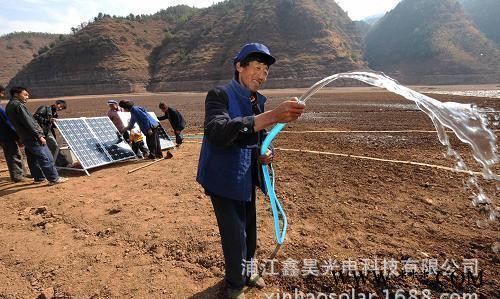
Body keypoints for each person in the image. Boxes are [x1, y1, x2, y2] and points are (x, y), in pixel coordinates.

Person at [196, 43, 305, 299]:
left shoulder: (257, 101)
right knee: (234, 235)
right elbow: (217, 130)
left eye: (266, 70)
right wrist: (272, 116)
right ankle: (235, 284)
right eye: (257, 67)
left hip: (246, 176)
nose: (262, 75)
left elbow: (259, 140)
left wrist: (264, 154)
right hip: (223, 178)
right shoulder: (219, 95)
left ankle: (248, 270)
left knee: (250, 230)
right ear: (239, 67)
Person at [5, 86, 67, 185]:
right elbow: (29, 122)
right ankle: (54, 178)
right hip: (32, 136)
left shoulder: (9, 106)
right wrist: (40, 136)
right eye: (25, 94)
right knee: (46, 156)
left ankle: (39, 178)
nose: (27, 97)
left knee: (32, 158)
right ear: (16, 94)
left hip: (24, 136)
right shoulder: (19, 106)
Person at [33, 100, 71, 167]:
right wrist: (48, 120)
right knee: (52, 147)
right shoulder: (45, 108)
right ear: (56, 103)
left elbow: (51, 124)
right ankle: (63, 163)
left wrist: (58, 125)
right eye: (60, 106)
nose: (60, 108)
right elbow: (35, 117)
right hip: (41, 132)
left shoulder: (55, 114)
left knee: (53, 148)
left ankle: (59, 164)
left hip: (48, 132)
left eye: (62, 108)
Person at [0, 85, 26, 182]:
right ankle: (18, 177)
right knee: (13, 154)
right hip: (6, 136)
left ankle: (19, 174)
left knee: (12, 154)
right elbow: (8, 124)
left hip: (3, 136)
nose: (3, 95)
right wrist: (17, 136)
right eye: (2, 92)